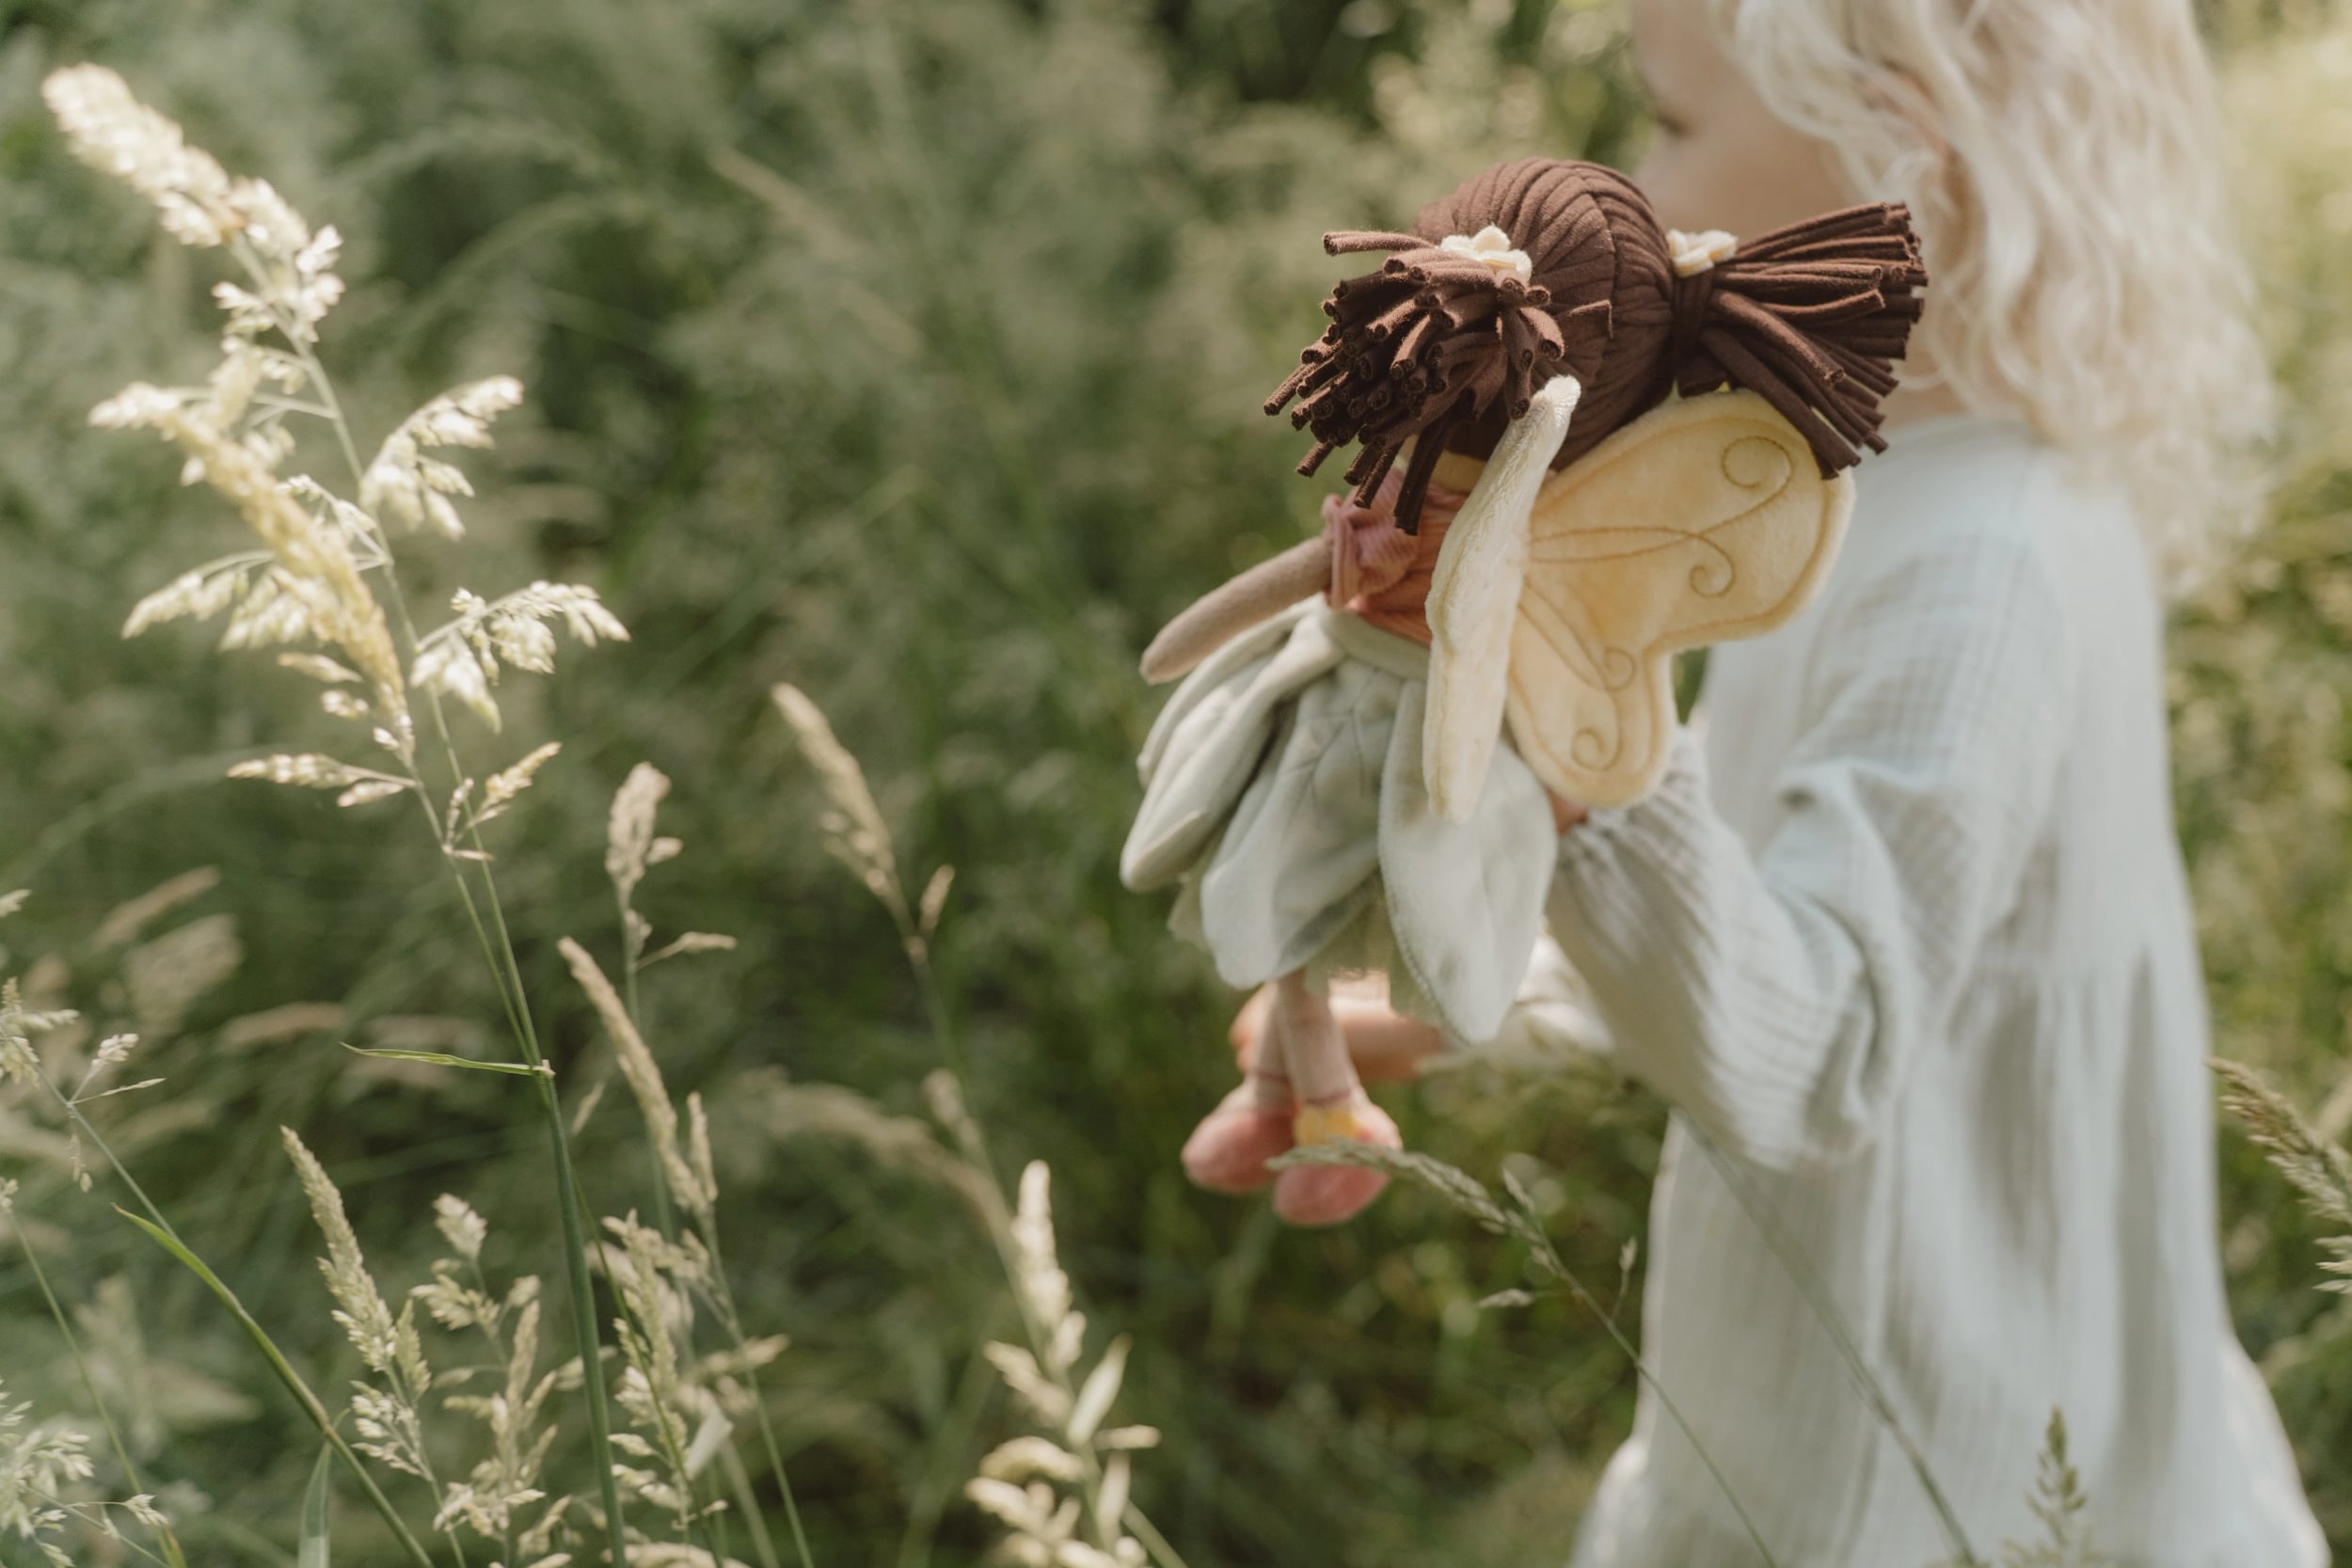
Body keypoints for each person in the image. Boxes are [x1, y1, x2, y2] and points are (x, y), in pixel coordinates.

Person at [1228, 0, 2330, 1560]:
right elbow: (1757, 905)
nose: (1633, 178)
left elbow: (1823, 1042)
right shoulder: (1871, 489)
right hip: (1895, 1392)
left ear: (1898, 158)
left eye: (1672, 123)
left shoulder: (1987, 573)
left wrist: (1588, 741)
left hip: (1912, 1464)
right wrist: (1466, 995)